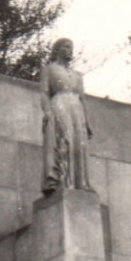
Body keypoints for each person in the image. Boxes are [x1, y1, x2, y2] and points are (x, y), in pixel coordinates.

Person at [40, 37, 93, 194]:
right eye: (67, 47)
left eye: (71, 48)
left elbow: (82, 99)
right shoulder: (49, 69)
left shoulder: (77, 75)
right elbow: (44, 93)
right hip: (59, 104)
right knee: (64, 139)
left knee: (79, 143)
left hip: (76, 109)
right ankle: (61, 180)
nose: (70, 51)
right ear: (58, 50)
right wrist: (47, 111)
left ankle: (81, 183)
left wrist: (87, 121)